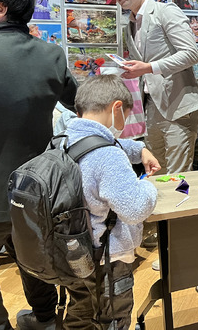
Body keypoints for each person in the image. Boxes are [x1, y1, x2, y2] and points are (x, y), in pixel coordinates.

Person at [0, 0, 77, 330]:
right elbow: (84, 106)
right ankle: (46, 320)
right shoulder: (52, 56)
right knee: (31, 253)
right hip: (39, 190)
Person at [61, 75, 159, 329]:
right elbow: (135, 209)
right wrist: (147, 185)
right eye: (125, 115)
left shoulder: (63, 138)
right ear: (116, 108)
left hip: (74, 252)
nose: (123, 124)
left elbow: (106, 143)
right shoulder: (108, 156)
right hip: (108, 258)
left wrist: (141, 150)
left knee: (83, 312)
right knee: (113, 316)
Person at [108, 0, 198, 174]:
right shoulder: (129, 25)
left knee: (178, 177)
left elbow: (191, 54)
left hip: (179, 106)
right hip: (151, 106)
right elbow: (142, 68)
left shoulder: (165, 11)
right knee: (155, 171)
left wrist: (148, 67)